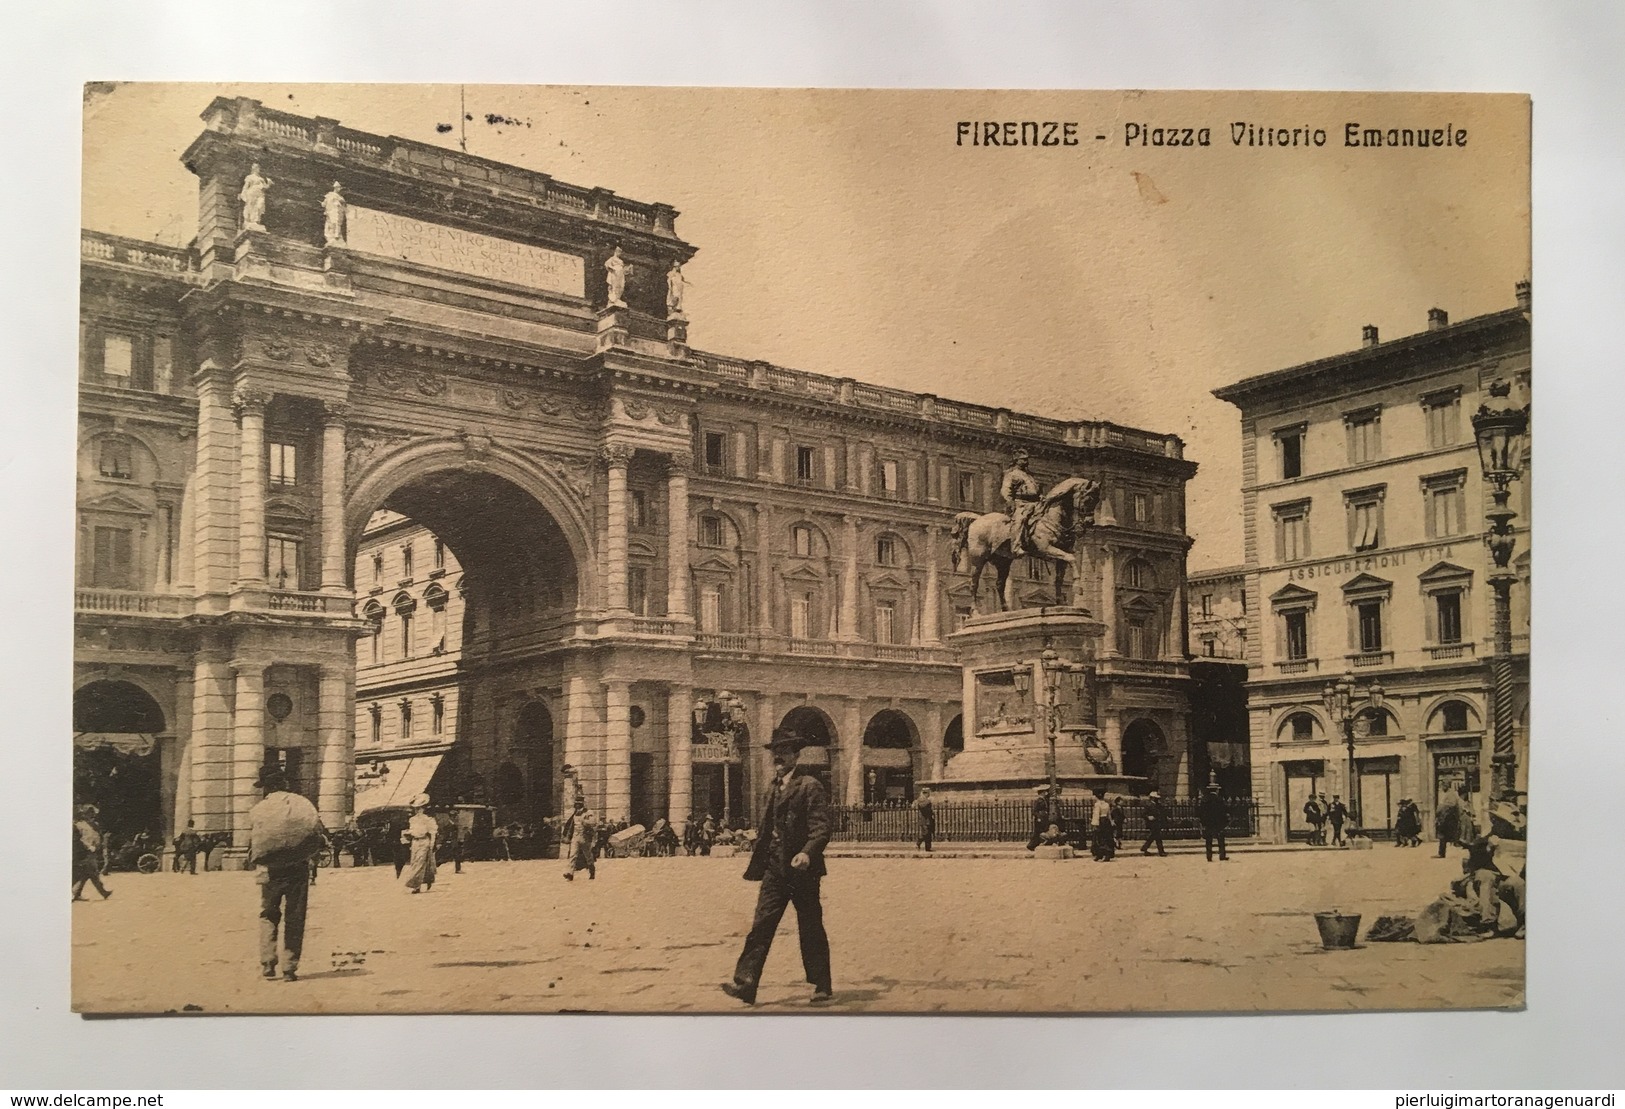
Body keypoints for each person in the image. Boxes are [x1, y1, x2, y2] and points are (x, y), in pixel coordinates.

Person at [721, 730, 833, 1006]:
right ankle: (745, 984)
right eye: (775, 752)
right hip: (775, 870)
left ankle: (821, 984)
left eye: (784, 751)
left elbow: (821, 828)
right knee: (761, 925)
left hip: (802, 872)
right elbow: (768, 828)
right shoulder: (772, 788)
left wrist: (807, 853)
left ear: (796, 755)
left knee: (810, 927)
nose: (778, 757)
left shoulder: (809, 785)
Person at [245, 766, 323, 981]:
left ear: (266, 787)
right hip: (297, 867)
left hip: (271, 869)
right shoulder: (302, 803)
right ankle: (289, 967)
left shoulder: (260, 808)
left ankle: (268, 963)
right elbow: (317, 831)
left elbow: (253, 838)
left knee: (268, 912)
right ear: (284, 783)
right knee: (295, 916)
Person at [1000, 448, 1042, 557]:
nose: (1026, 462)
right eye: (1023, 460)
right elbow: (1005, 490)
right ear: (1016, 460)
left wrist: (1041, 496)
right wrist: (1010, 501)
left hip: (1034, 503)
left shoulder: (1029, 475)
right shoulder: (1012, 474)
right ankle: (1016, 546)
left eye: (1027, 459)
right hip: (1021, 503)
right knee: (1020, 520)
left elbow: (1035, 490)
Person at [72, 806, 112, 901]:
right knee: (92, 873)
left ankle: (76, 893)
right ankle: (103, 892)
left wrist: (100, 846)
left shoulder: (95, 825)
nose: (92, 815)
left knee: (87, 874)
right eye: (90, 813)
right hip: (85, 852)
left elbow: (98, 836)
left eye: (93, 813)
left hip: (93, 852)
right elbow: (79, 839)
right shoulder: (79, 825)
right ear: (85, 815)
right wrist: (89, 847)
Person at [401, 795, 438, 893]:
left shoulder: (428, 819)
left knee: (420, 863)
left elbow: (433, 832)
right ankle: (427, 880)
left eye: (419, 808)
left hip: (424, 842)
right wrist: (408, 835)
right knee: (415, 863)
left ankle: (415, 886)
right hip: (415, 842)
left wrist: (431, 845)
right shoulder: (412, 820)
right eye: (416, 809)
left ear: (423, 809)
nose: (417, 811)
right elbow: (412, 830)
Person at [562, 801, 597, 881]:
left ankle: (592, 870)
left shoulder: (588, 812)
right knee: (573, 855)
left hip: (585, 837)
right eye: (576, 804)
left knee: (588, 856)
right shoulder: (575, 813)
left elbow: (593, 822)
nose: (577, 805)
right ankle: (570, 873)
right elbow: (571, 825)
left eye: (578, 803)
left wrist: (584, 822)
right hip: (575, 837)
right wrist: (568, 835)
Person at [1198, 782, 1229, 862]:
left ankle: (1209, 856)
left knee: (1208, 840)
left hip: (1208, 823)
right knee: (1221, 840)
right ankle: (1222, 855)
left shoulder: (1204, 800)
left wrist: (1203, 822)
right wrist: (1224, 823)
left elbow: (1201, 812)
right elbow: (1223, 812)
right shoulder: (1220, 800)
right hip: (1218, 823)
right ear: (1217, 790)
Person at [239, 163, 272, 230]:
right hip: (252, 193)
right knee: (251, 206)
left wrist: (269, 183)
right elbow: (246, 186)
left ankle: (256, 220)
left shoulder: (261, 179)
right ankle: (251, 221)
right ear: (253, 169)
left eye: (258, 168)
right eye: (256, 168)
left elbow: (265, 187)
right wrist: (243, 194)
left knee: (260, 205)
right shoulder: (250, 177)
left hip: (260, 194)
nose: (258, 169)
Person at [1026, 785, 1059, 851]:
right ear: (1042, 793)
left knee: (1043, 831)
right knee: (1037, 832)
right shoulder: (1038, 800)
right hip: (1040, 818)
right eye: (1045, 792)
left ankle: (1037, 844)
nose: (1046, 793)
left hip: (1044, 818)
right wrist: (1038, 817)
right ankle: (1031, 845)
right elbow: (1034, 811)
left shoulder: (1044, 799)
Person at [1435, 788, 1462, 858]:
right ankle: (1442, 852)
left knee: (1442, 836)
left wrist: (1438, 816)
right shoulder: (1452, 795)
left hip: (1445, 820)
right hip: (1450, 819)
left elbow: (1440, 809)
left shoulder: (1448, 796)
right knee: (1447, 835)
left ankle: (1441, 853)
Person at [1089, 791, 1116, 861]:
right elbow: (1109, 814)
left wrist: (1095, 824)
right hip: (1106, 822)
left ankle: (1100, 854)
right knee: (1107, 838)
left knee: (1099, 839)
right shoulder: (1106, 804)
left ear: (1096, 797)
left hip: (1100, 821)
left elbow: (1096, 814)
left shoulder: (1097, 804)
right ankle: (1104, 854)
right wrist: (1111, 822)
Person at [1140, 790, 1168, 856]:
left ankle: (1144, 847)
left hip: (1157, 822)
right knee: (1158, 838)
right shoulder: (1148, 805)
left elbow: (1162, 813)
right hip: (1152, 823)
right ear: (1152, 798)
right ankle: (1161, 851)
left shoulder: (1158, 805)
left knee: (1153, 837)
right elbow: (1143, 814)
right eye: (1156, 798)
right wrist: (1148, 817)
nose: (1157, 799)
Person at [913, 787, 936, 852]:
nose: (929, 794)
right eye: (927, 793)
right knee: (925, 833)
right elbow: (922, 806)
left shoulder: (926, 800)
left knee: (929, 833)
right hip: (924, 819)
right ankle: (918, 843)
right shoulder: (921, 799)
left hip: (929, 819)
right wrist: (929, 802)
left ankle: (928, 848)